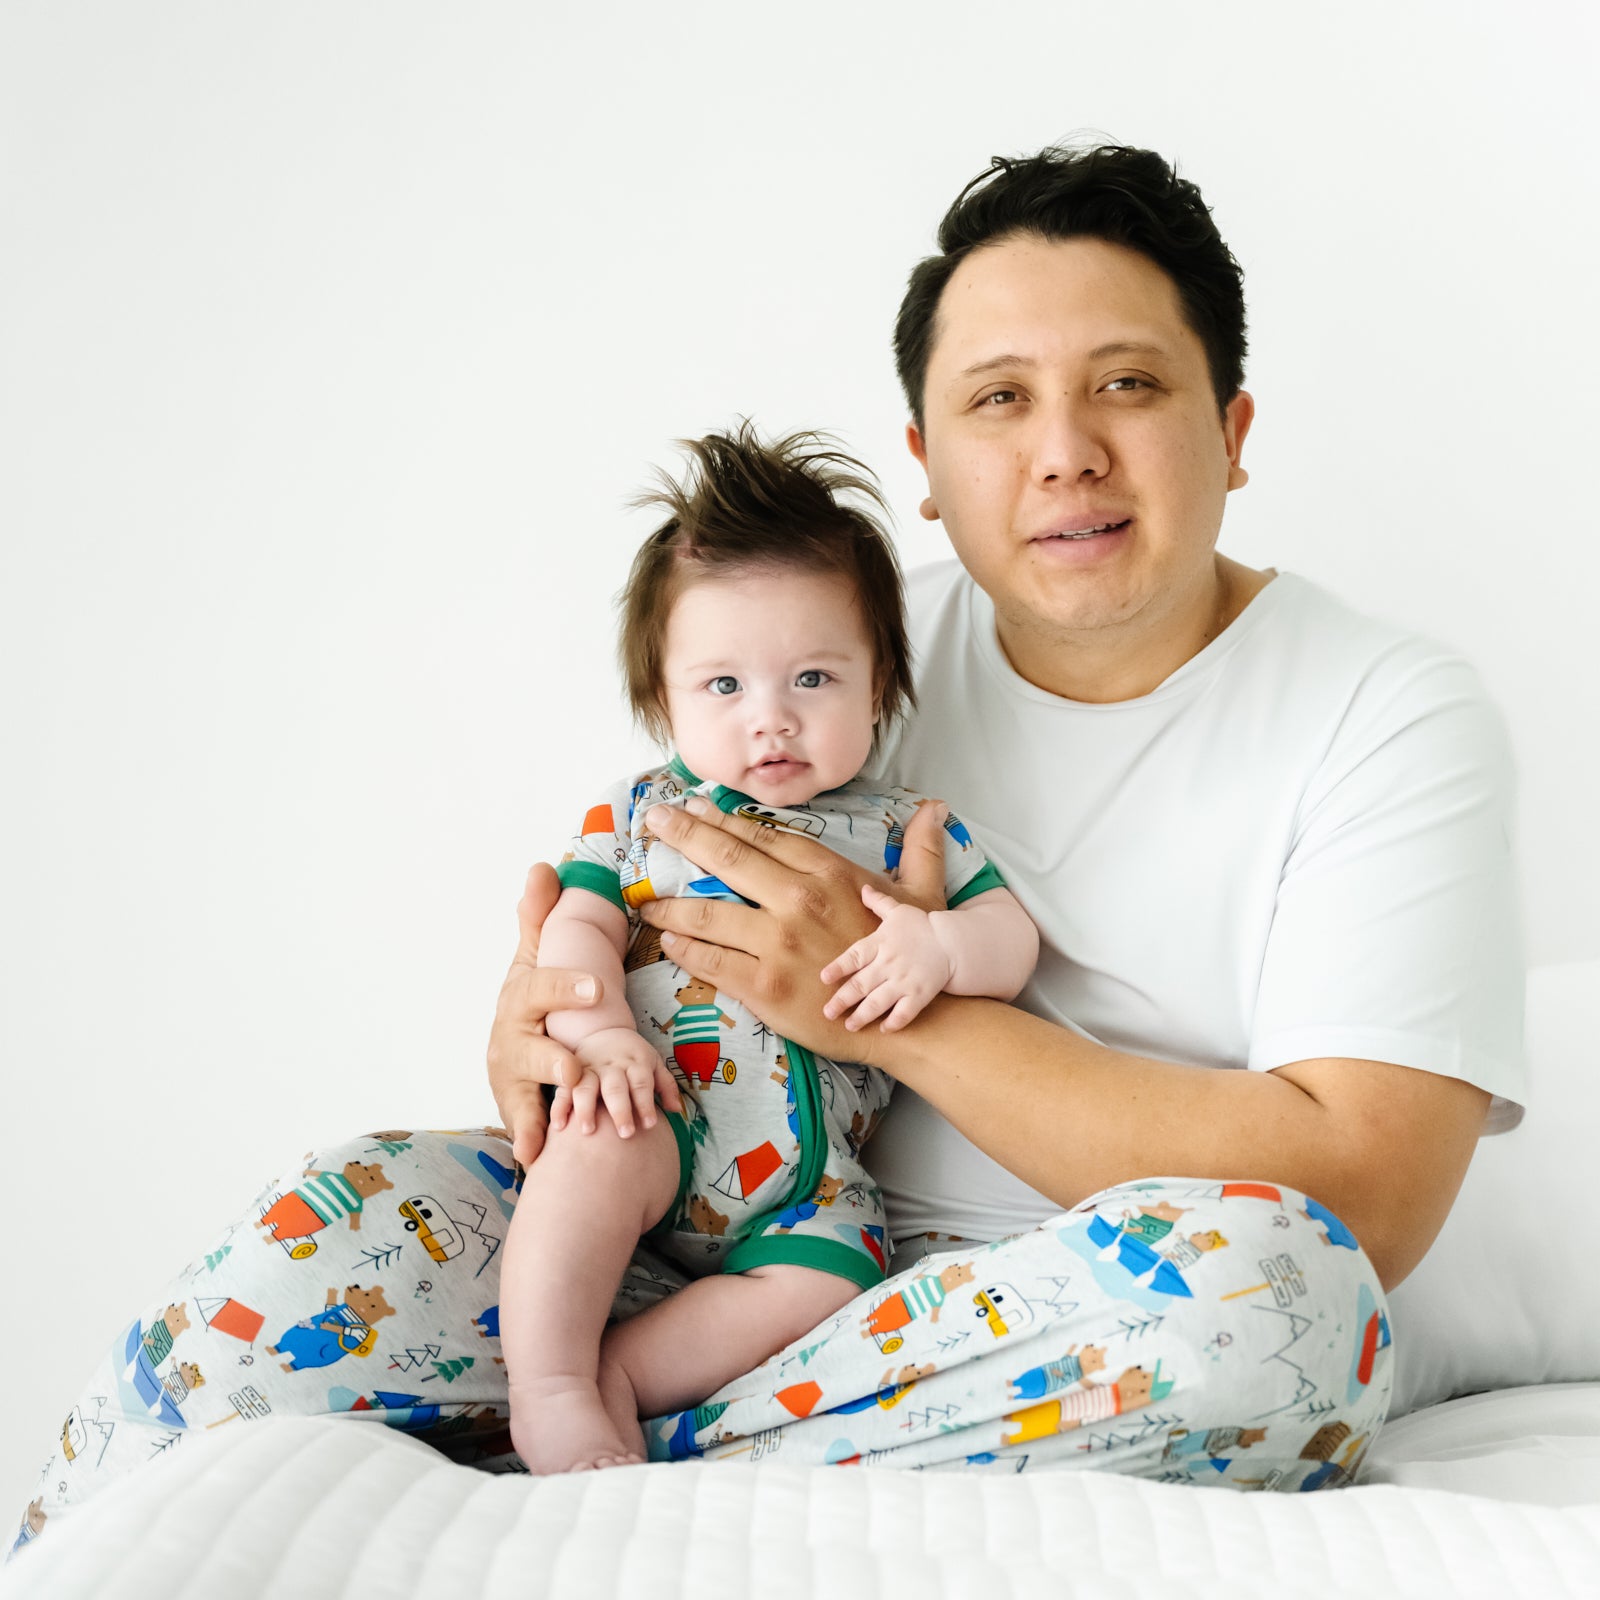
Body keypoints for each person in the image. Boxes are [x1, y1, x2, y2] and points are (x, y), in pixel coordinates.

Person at [14, 142, 1523, 1556]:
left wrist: (906, 1013)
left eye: (1127, 384)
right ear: (925, 460)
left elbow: (1364, 1196)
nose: (1065, 453)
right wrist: (551, 1017)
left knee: (1288, 1304)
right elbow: (613, 894)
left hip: (1038, 1310)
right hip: (675, 1225)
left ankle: (626, 1450)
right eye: (1001, 399)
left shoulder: (1384, 711)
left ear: (1234, 431)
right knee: (312, 1240)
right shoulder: (832, 652)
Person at [503, 424, 1038, 1473]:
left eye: (813, 679)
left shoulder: (900, 829)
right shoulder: (638, 819)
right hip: (652, 1109)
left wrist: (936, 947)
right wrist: (604, 1036)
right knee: (585, 1161)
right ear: (662, 699)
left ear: (878, 683)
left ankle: (626, 1378)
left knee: (833, 1276)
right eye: (724, 687)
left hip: (813, 1182)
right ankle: (554, 1380)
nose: (772, 721)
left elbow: (1007, 935)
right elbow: (575, 930)